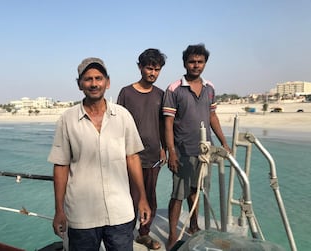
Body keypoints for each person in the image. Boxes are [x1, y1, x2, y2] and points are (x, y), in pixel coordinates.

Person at [48, 57, 151, 251]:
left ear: (107, 82)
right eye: (88, 79)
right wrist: (59, 210)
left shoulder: (122, 116)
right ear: (79, 84)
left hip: (120, 213)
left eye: (98, 78)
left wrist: (143, 198)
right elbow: (61, 166)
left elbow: (133, 158)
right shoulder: (67, 120)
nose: (94, 84)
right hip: (81, 215)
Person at [162, 44, 231, 250]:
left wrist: (223, 142)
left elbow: (212, 116)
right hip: (182, 151)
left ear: (205, 64)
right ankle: (173, 234)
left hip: (204, 151)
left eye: (200, 62)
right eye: (192, 61)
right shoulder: (174, 89)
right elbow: (167, 123)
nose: (196, 65)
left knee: (196, 190)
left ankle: (193, 226)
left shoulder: (210, 87)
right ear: (185, 63)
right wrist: (171, 151)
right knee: (178, 194)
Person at [117, 48, 167, 250]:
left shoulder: (161, 95)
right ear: (140, 67)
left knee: (150, 196)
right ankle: (124, 233)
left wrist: (164, 148)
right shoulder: (126, 92)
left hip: (153, 156)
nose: (152, 73)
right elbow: (117, 124)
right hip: (129, 156)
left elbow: (164, 124)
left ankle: (144, 234)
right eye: (149, 68)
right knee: (128, 197)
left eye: (157, 69)